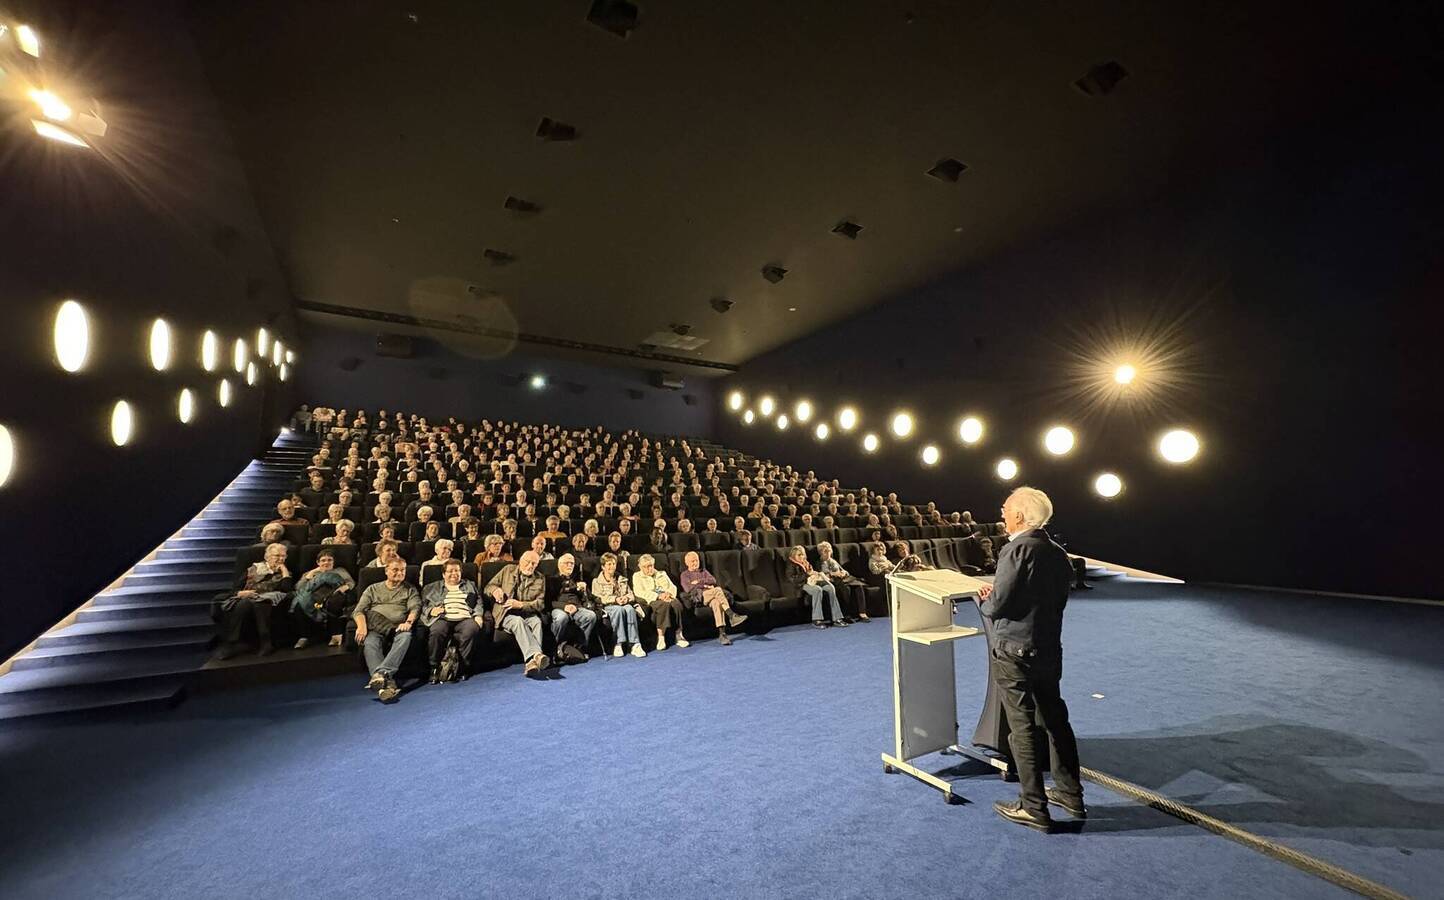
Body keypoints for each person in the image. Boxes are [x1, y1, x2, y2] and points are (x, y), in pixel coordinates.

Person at [975, 487, 1084, 832]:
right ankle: (1070, 794)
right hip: (1048, 649)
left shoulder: (1016, 549)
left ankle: (1033, 807)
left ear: (1020, 516)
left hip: (1015, 652)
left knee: (1022, 729)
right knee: (1055, 721)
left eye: (1006, 509)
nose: (1002, 514)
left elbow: (1000, 605)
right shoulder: (1057, 552)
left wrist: (985, 601)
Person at [352, 559, 421, 703]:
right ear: (386, 571)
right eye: (396, 570)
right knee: (369, 642)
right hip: (375, 627)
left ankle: (381, 675)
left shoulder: (410, 589)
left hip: (398, 626)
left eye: (403, 570)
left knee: (405, 636)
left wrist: (408, 622)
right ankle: (387, 685)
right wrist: (361, 625)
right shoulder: (373, 588)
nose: (400, 573)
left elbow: (415, 608)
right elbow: (359, 610)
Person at [216, 542, 294, 658]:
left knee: (260, 604)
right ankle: (232, 643)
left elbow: (286, 590)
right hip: (247, 597)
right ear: (267, 557)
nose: (281, 558)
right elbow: (236, 588)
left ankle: (264, 643)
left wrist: (284, 571)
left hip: (266, 600)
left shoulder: (286, 573)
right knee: (244, 603)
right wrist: (240, 593)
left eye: (283, 556)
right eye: (277, 556)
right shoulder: (253, 569)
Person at [484, 551, 551, 675]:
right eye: (528, 562)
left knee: (536, 621)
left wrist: (520, 604)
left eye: (534, 564)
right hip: (505, 614)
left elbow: (540, 604)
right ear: (520, 560)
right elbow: (488, 587)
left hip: (527, 612)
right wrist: (495, 590)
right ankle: (536, 656)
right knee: (518, 621)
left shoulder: (540, 578)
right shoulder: (507, 570)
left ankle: (532, 663)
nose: (530, 566)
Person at [420, 558, 483, 684]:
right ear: (444, 574)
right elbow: (423, 605)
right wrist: (431, 611)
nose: (454, 574)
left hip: (465, 617)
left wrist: (478, 615)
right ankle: (434, 668)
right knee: (436, 631)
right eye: (450, 571)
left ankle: (463, 667)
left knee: (471, 630)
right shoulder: (432, 587)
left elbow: (478, 601)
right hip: (443, 617)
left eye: (457, 571)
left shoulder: (470, 585)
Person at [678, 550, 747, 645]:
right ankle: (731, 615)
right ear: (687, 563)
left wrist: (698, 582)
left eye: (696, 560)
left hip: (710, 596)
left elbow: (713, 580)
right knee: (718, 590)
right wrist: (705, 585)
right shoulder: (685, 575)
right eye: (692, 561)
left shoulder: (703, 571)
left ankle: (722, 634)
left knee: (716, 603)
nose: (695, 563)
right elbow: (688, 588)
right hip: (698, 597)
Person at [290, 548, 354, 649]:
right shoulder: (310, 573)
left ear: (334, 562)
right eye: (323, 560)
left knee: (334, 602)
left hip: (332, 595)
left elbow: (351, 583)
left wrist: (344, 587)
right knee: (299, 605)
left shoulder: (340, 571)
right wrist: (310, 575)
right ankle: (304, 637)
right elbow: (298, 587)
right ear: (318, 562)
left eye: (329, 560)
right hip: (312, 598)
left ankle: (335, 635)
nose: (326, 562)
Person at [592, 552, 644, 657]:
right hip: (608, 606)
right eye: (609, 564)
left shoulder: (621, 579)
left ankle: (635, 643)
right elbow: (597, 598)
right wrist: (615, 599)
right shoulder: (596, 581)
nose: (612, 567)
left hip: (624, 604)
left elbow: (631, 594)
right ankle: (618, 643)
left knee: (629, 609)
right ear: (603, 567)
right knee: (618, 610)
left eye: (613, 564)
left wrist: (626, 598)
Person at [549, 553, 598, 664]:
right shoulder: (552, 580)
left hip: (577, 608)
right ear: (559, 565)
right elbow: (548, 602)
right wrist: (564, 606)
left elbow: (588, 599)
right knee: (561, 618)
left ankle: (578, 648)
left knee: (590, 616)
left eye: (572, 563)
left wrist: (585, 590)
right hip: (559, 608)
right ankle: (556, 649)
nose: (570, 565)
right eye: (567, 563)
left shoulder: (577, 580)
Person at [632, 554, 686, 651]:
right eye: (646, 567)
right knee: (663, 605)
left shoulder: (662, 574)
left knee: (676, 604)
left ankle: (679, 635)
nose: (649, 569)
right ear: (640, 567)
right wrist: (657, 596)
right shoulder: (637, 576)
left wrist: (669, 594)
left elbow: (673, 587)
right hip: (652, 600)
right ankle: (661, 637)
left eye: (651, 566)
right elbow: (639, 592)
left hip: (667, 597)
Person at [784, 545, 846, 628]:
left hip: (812, 581)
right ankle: (817, 619)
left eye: (802, 554)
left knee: (830, 587)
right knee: (817, 590)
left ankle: (837, 618)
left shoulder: (806, 562)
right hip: (800, 585)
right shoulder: (791, 564)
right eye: (799, 555)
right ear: (793, 555)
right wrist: (806, 575)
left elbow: (811, 571)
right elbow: (793, 580)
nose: (801, 556)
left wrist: (815, 574)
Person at [816, 541, 869, 621]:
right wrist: (834, 574)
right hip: (833, 581)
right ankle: (847, 614)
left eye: (829, 551)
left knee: (859, 586)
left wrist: (844, 573)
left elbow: (844, 571)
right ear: (820, 552)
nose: (828, 553)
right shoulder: (819, 563)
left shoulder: (833, 561)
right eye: (825, 551)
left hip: (843, 579)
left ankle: (862, 613)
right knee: (846, 589)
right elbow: (822, 575)